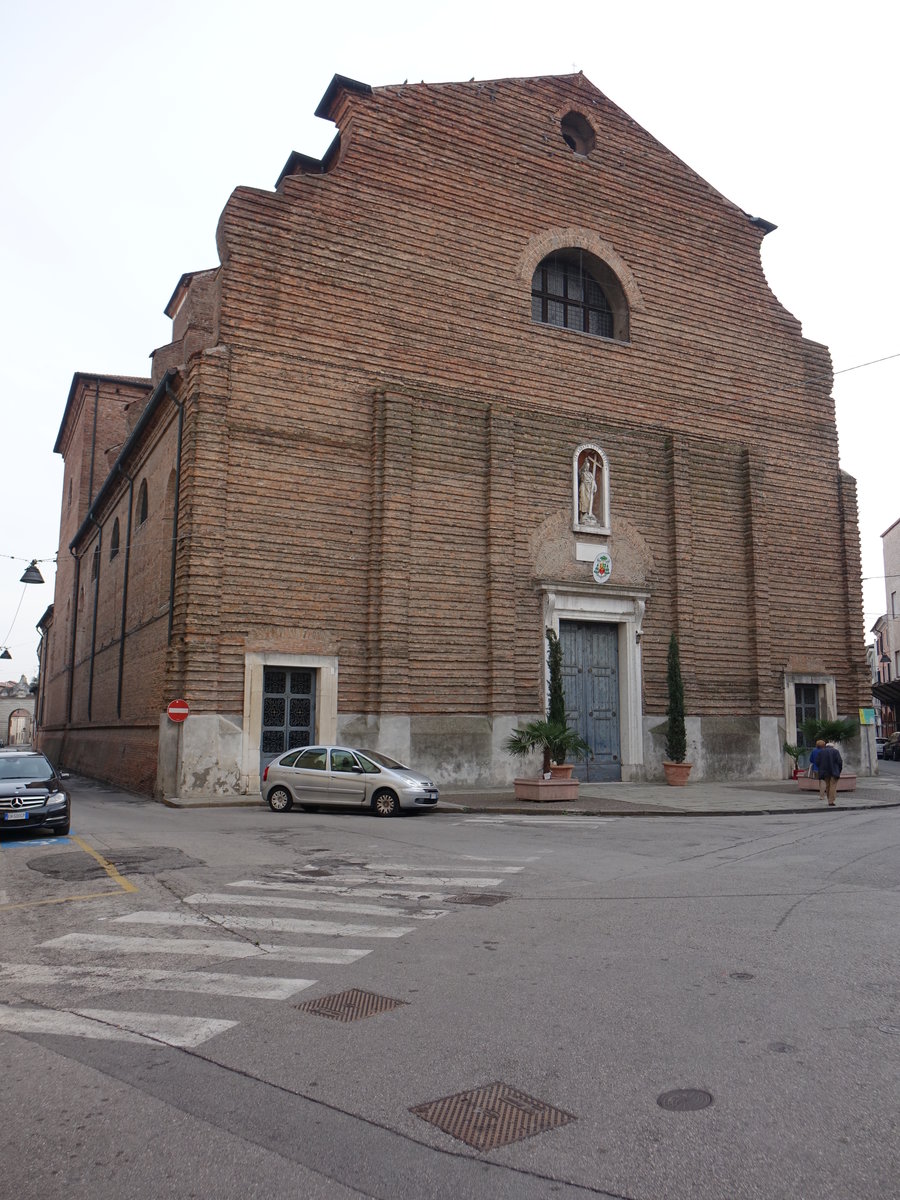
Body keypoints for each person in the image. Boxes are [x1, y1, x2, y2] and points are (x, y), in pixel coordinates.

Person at [818, 739, 843, 806]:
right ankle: (831, 801)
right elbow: (840, 762)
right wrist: (839, 770)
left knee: (828, 785)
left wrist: (821, 769)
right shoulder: (836, 751)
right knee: (833, 786)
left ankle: (829, 798)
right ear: (833, 746)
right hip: (834, 771)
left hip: (825, 772)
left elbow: (818, 762)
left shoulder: (821, 752)